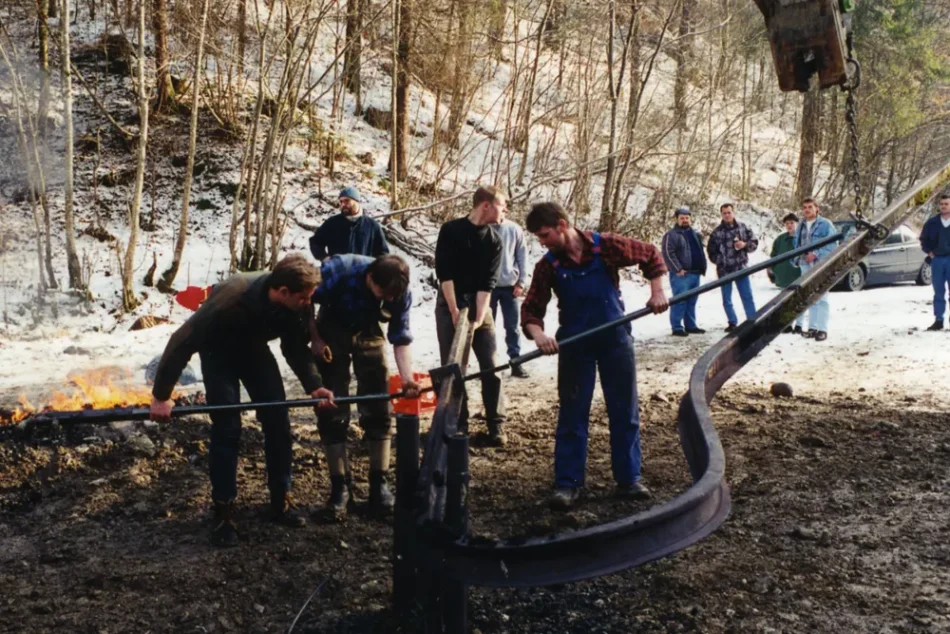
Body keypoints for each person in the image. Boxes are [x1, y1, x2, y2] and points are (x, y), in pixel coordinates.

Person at [149, 254, 335, 548]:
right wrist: (161, 396)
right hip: (217, 352)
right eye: (303, 298)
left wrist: (314, 386)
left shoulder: (299, 302)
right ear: (283, 292)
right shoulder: (233, 296)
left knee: (278, 421)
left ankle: (280, 500)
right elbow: (181, 341)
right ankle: (223, 512)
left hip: (254, 350)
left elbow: (294, 346)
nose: (307, 302)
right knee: (227, 428)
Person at [520, 202, 668, 510]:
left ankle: (629, 479)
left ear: (562, 225)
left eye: (545, 235)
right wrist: (540, 336)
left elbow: (651, 254)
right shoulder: (548, 265)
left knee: (624, 410)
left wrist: (657, 291)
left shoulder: (606, 246)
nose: (542, 242)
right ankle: (568, 484)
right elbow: (531, 310)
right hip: (576, 344)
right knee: (573, 415)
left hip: (616, 340)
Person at [310, 254, 420, 520]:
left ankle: (379, 487)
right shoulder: (337, 271)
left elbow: (400, 336)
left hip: (368, 330)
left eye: (394, 296)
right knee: (332, 407)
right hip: (331, 328)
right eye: (384, 293)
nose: (390, 299)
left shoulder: (399, 291)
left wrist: (406, 378)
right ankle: (340, 490)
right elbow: (304, 302)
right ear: (370, 278)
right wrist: (314, 338)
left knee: (378, 405)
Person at [434, 186, 508, 446]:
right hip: (450, 300)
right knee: (452, 366)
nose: (505, 211)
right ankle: (457, 422)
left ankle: (495, 424)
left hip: (480, 304)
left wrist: (477, 319)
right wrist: (455, 311)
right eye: (502, 205)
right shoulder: (451, 231)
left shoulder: (495, 241)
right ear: (485, 205)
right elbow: (445, 274)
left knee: (491, 363)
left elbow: (487, 284)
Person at [707, 203, 759, 331]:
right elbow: (711, 251)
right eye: (724, 213)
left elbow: (754, 243)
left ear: (733, 212)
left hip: (741, 267)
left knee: (747, 296)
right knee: (726, 299)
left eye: (729, 212)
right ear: (721, 215)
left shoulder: (743, 228)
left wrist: (745, 245)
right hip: (724, 270)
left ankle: (752, 320)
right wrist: (721, 260)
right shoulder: (716, 232)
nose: (727, 215)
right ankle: (732, 322)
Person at [490, 213, 530, 377]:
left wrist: (521, 282)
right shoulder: (484, 228)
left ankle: (516, 362)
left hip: (510, 287)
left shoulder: (514, 229)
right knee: (486, 329)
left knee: (512, 327)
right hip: (488, 288)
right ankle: (489, 365)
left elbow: (522, 256)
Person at [793, 198, 837, 341]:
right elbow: (797, 244)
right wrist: (797, 259)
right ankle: (812, 328)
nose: (807, 210)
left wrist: (816, 253)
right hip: (805, 264)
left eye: (810, 207)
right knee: (810, 296)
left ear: (817, 208)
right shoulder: (801, 226)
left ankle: (822, 329)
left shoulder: (825, 224)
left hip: (820, 263)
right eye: (804, 207)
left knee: (822, 296)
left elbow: (833, 243)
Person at [309, 186, 389, 260]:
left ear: (357, 201)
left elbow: (383, 253)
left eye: (347, 201)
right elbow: (315, 242)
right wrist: (324, 258)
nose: (343, 204)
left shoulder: (372, 226)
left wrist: (374, 269)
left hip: (362, 273)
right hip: (337, 272)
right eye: (341, 201)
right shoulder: (332, 223)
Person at [661, 208, 707, 337]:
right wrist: (677, 269)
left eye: (687, 218)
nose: (685, 220)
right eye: (682, 218)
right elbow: (667, 253)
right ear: (676, 219)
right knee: (679, 301)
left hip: (695, 273)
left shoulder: (695, 233)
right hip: (681, 275)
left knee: (692, 301)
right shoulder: (671, 234)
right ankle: (677, 327)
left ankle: (691, 325)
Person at [919, 193, 950, 331]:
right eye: (942, 204)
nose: (943, 206)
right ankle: (938, 320)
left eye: (946, 204)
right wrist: (929, 252)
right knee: (938, 291)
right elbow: (923, 239)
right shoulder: (932, 223)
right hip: (937, 260)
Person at [769, 213, 804, 334]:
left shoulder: (801, 238)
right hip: (783, 275)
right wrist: (773, 269)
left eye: (792, 223)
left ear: (797, 224)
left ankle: (799, 325)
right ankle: (787, 324)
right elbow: (773, 255)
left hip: (797, 274)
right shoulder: (780, 239)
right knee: (785, 301)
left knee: (799, 300)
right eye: (787, 223)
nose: (789, 226)